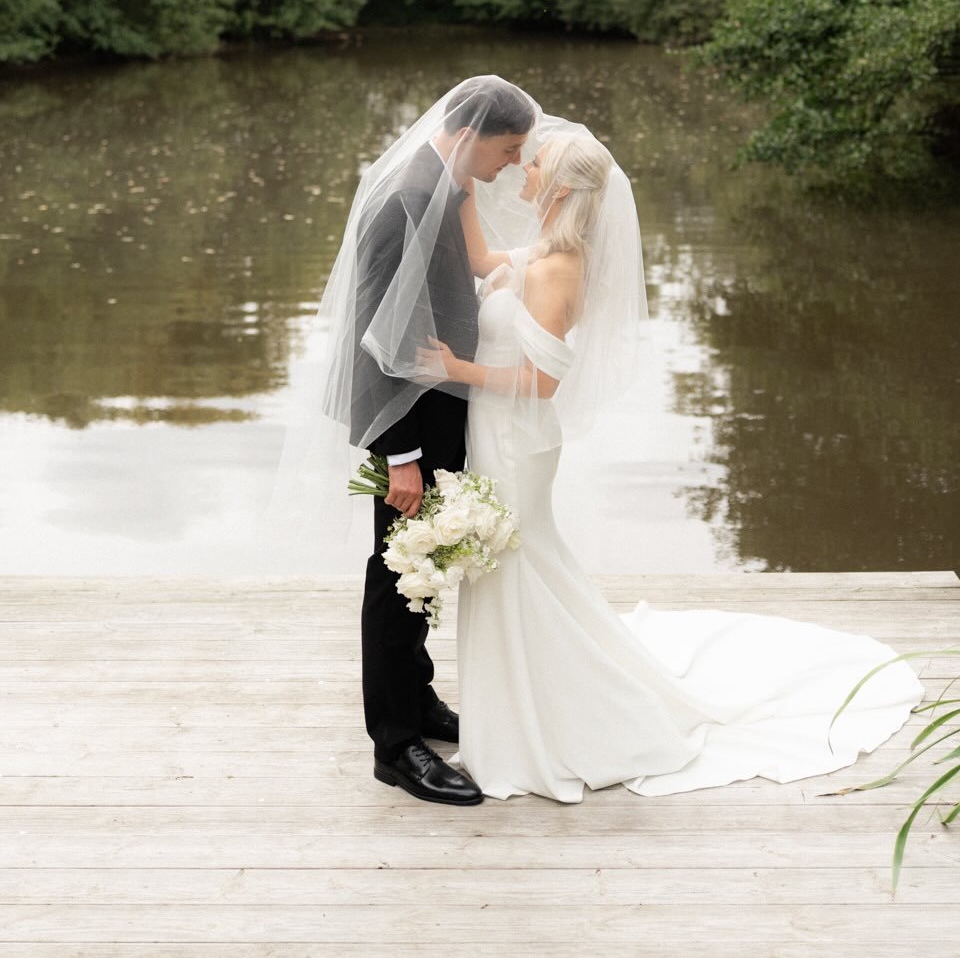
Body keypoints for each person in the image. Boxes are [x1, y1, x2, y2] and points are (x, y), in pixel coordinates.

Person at [417, 127, 924, 802]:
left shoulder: (556, 268)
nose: (524, 171)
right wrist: (461, 182)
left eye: (533, 165)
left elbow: (540, 384)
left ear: (561, 186)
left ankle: (559, 720)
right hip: (498, 432)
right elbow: (482, 259)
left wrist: (455, 369)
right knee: (517, 567)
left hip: (517, 438)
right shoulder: (543, 250)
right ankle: (515, 706)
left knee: (518, 566)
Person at [324, 75, 537, 806]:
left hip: (439, 407)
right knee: (394, 574)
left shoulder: (442, 188)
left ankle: (415, 702)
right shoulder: (405, 198)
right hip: (404, 423)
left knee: (423, 558)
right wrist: (400, 457)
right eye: (508, 149)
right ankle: (395, 746)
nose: (512, 163)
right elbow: (379, 339)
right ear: (472, 132)